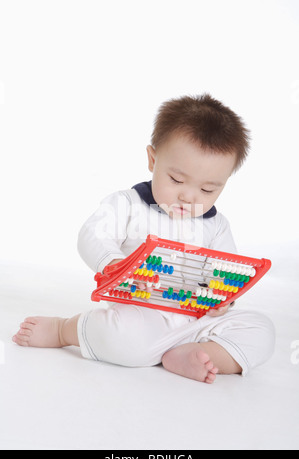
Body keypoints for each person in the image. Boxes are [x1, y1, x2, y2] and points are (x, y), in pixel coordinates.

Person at [12, 94, 275, 384]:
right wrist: (115, 263)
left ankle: (195, 353)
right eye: (176, 180)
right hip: (141, 316)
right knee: (125, 338)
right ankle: (66, 330)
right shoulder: (129, 205)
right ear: (152, 160)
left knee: (261, 330)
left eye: (208, 189)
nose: (189, 196)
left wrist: (223, 301)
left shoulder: (217, 226)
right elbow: (92, 234)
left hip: (197, 321)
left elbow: (225, 276)